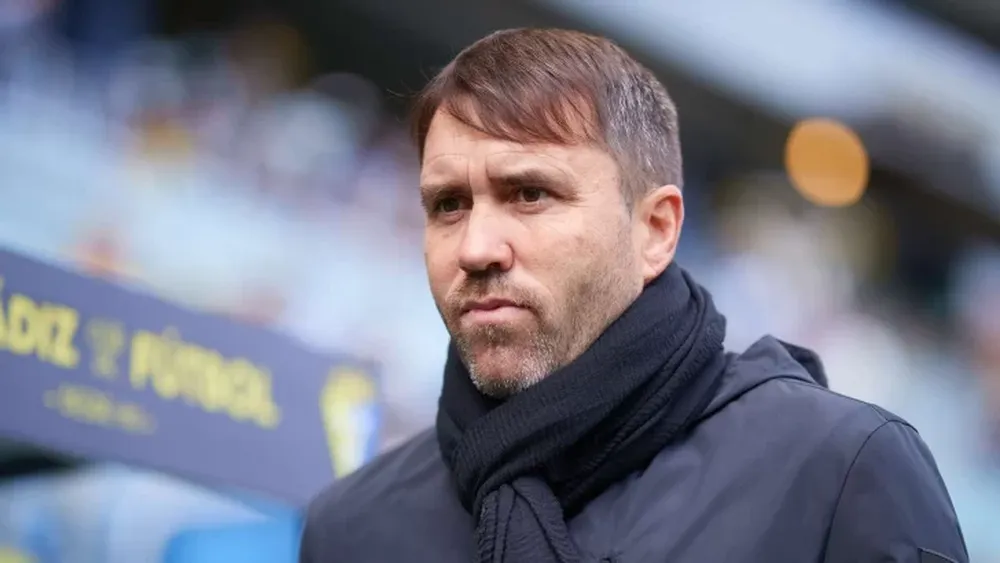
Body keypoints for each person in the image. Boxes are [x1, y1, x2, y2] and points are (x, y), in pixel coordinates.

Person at [299, 28, 968, 563]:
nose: (476, 247)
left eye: (530, 193)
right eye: (448, 204)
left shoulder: (839, 469)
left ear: (655, 230)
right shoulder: (353, 527)